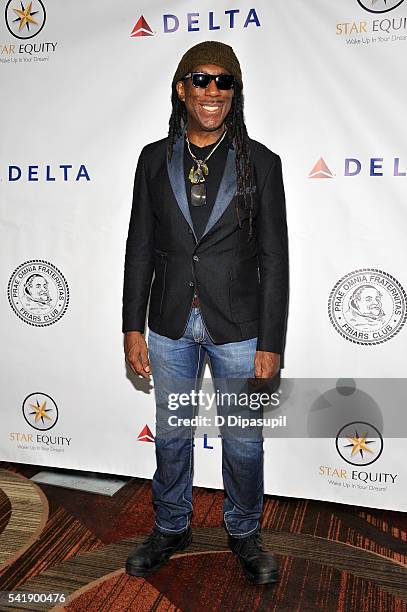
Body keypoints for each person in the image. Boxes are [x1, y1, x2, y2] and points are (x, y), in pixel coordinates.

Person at [122, 40, 288, 585]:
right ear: (181, 88)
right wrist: (131, 324)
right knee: (172, 434)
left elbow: (273, 258)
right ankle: (171, 526)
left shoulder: (261, 162)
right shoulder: (153, 158)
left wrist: (271, 343)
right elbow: (139, 246)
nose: (212, 90)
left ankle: (244, 533)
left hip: (239, 326)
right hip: (169, 322)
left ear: (235, 93)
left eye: (224, 81)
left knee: (243, 439)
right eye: (200, 79)